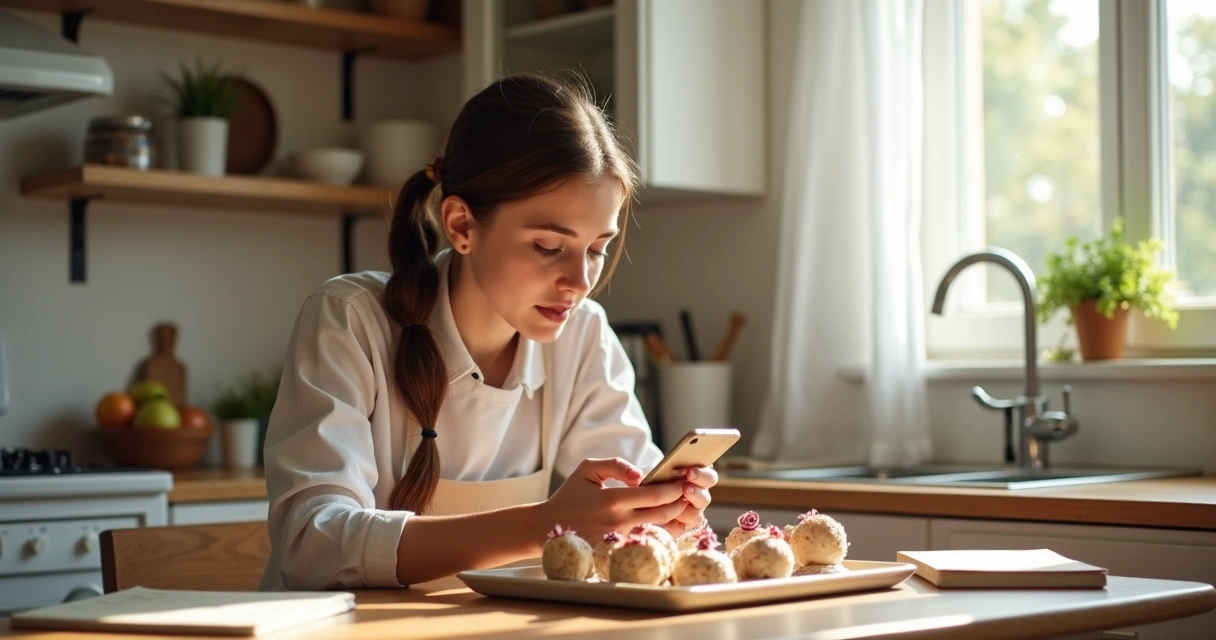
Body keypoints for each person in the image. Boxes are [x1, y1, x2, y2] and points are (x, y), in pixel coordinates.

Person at [259, 73, 718, 591]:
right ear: (461, 226)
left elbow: (627, 512)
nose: (580, 283)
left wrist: (659, 511)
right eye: (548, 246)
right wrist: (540, 525)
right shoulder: (350, 318)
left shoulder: (583, 336)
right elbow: (312, 543)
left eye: (596, 249)